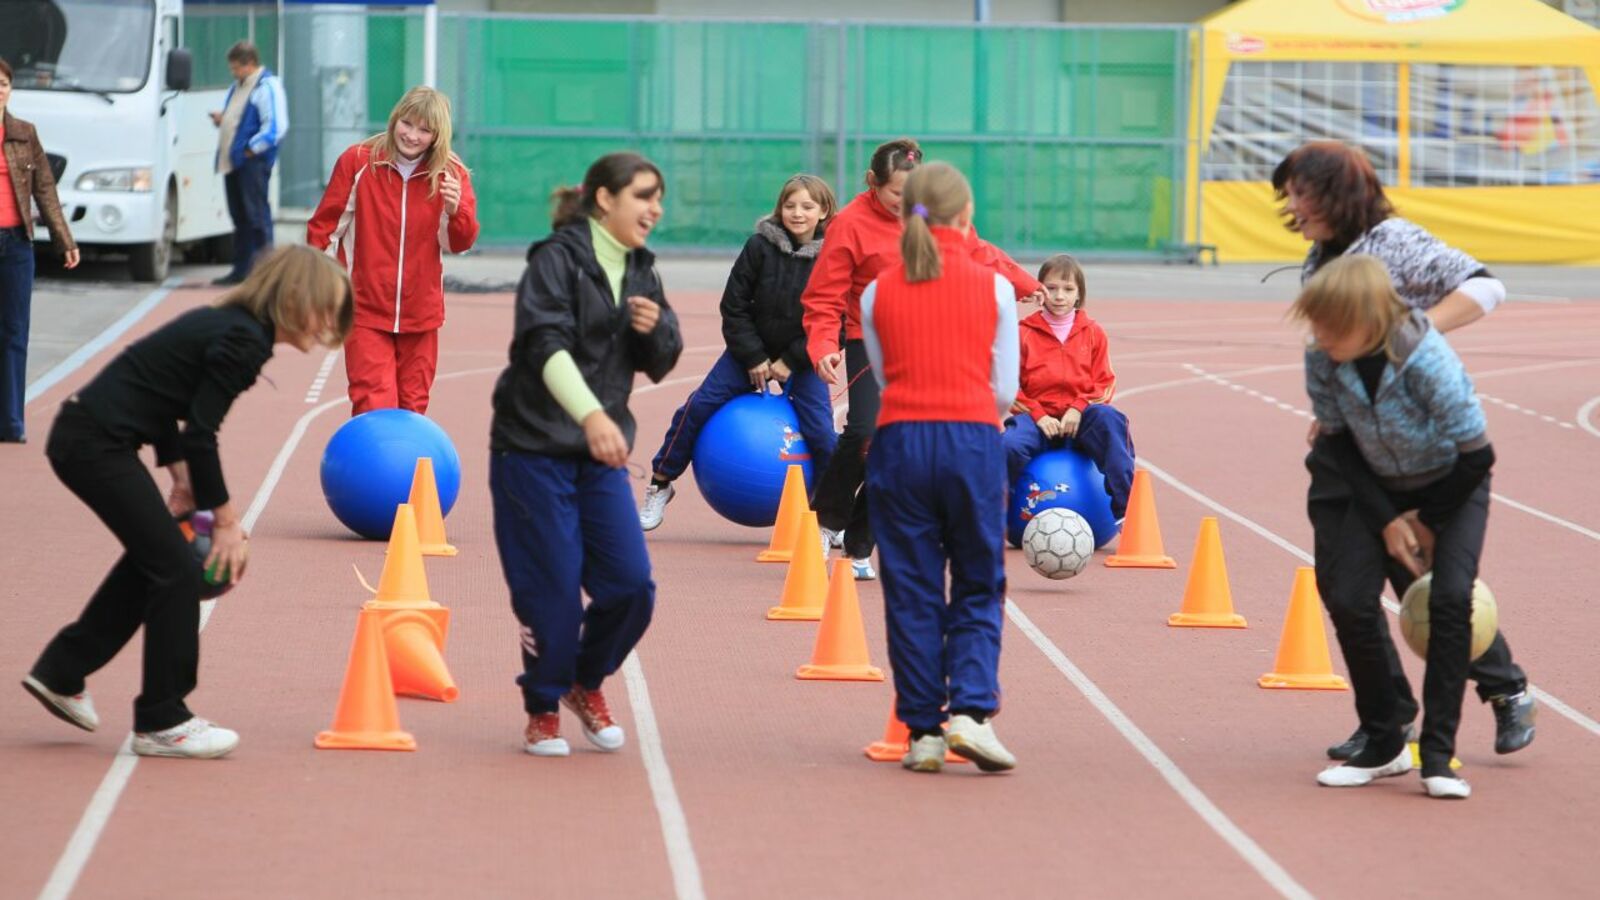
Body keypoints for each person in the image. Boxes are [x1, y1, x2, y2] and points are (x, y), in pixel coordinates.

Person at [22, 246, 352, 758]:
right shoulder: (244, 341)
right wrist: (225, 520)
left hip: (91, 437)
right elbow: (201, 433)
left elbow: (158, 398)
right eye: (325, 306)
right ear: (293, 297)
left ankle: (62, 671)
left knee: (155, 561)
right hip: (94, 444)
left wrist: (179, 477)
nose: (330, 322)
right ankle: (163, 718)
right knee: (175, 570)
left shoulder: (226, 325)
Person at [1273, 141, 1535, 762]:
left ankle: (1505, 688)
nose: (1289, 203)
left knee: (1427, 583)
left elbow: (1486, 287)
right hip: (1348, 448)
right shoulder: (1320, 257)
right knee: (1346, 590)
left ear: (1334, 192)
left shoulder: (1393, 242)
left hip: (1418, 450)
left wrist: (1403, 343)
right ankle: (1387, 722)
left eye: (1298, 191)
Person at [489, 152, 682, 758]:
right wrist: (592, 415)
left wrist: (658, 332)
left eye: (659, 198)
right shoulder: (556, 260)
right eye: (643, 196)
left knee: (630, 587)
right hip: (532, 450)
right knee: (551, 592)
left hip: (597, 457)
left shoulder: (642, 270)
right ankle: (542, 706)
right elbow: (542, 343)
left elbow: (662, 361)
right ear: (605, 199)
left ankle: (583, 681)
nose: (655, 208)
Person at [1294, 254, 1493, 799]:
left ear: (1367, 320)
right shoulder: (1324, 357)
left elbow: (1478, 454)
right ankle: (1384, 743)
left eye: (1329, 324)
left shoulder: (1427, 357)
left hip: (1453, 486)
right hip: (1377, 485)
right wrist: (1386, 521)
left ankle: (1438, 756)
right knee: (1350, 596)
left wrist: (1427, 524)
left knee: (1451, 601)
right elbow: (1337, 440)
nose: (1318, 335)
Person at [802, 137, 1039, 579]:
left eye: (910, 194)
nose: (904, 203)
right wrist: (822, 347)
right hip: (867, 334)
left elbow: (979, 252)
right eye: (895, 193)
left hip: (926, 333)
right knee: (864, 430)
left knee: (898, 443)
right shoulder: (850, 224)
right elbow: (823, 296)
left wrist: (1028, 285)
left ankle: (859, 545)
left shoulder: (927, 214)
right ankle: (826, 521)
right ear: (873, 183)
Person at [861, 162, 1019, 774]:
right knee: (979, 579)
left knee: (911, 588)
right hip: (972, 438)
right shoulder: (996, 287)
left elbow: (881, 374)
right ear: (966, 214)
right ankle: (972, 715)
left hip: (900, 441)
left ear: (905, 215)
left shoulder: (878, 291)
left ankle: (922, 729)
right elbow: (1004, 389)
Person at [639, 174, 838, 531]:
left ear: (823, 211)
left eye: (807, 206)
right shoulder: (759, 246)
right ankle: (660, 483)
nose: (797, 213)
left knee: (823, 434)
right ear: (780, 208)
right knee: (696, 407)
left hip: (802, 358)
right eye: (790, 205)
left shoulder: (834, 255)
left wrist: (791, 361)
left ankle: (827, 516)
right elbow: (734, 306)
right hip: (749, 354)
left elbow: (832, 318)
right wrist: (754, 357)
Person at [307, 85, 479, 416]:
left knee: (414, 406)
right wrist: (325, 291)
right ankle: (371, 469)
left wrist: (457, 212)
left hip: (422, 312)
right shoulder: (358, 160)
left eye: (424, 129)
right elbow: (324, 230)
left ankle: (407, 470)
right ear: (394, 119)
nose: (412, 135)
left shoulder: (451, 173)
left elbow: (458, 243)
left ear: (437, 135)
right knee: (374, 401)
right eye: (407, 123)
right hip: (365, 308)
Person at [1002, 254, 1134, 525]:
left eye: (1068, 289)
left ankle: (1127, 514)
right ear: (1039, 291)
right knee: (1008, 445)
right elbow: (1009, 386)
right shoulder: (1022, 333)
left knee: (1111, 421)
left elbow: (1105, 382)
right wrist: (1039, 415)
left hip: (1081, 420)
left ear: (1079, 294)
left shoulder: (1093, 333)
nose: (1059, 296)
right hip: (1039, 420)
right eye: (1051, 288)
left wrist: (1078, 408)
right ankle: (999, 518)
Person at [1, 57, 80, 444]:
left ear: (10, 90)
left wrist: (64, 240)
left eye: (3, 83)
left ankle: (11, 422)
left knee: (15, 332)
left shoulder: (23, 133)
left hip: (16, 243)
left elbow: (44, 189)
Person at [209, 41, 288, 286]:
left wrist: (250, 150)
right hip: (235, 162)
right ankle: (241, 270)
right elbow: (241, 119)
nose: (233, 73)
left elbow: (275, 127)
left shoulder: (266, 86)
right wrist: (224, 120)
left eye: (236, 68)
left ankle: (264, 273)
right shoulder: (240, 86)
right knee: (240, 218)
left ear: (249, 64)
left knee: (257, 218)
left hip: (252, 163)